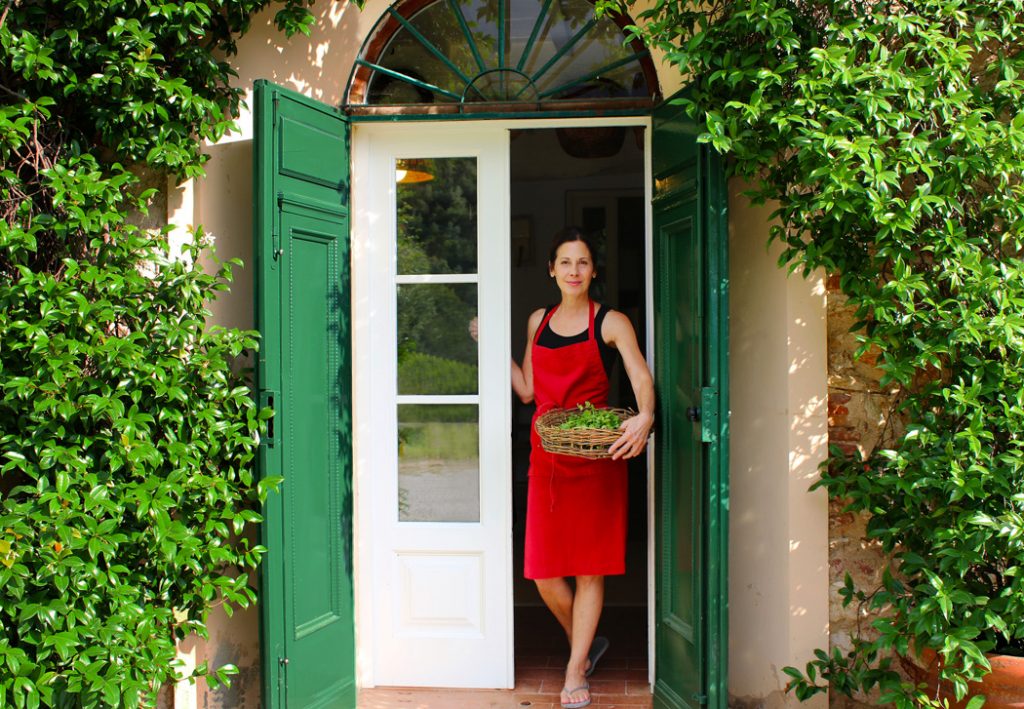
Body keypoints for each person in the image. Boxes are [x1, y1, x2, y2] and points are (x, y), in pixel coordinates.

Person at [511, 227, 655, 709]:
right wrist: (487, 347)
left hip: (596, 457)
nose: (574, 271)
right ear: (551, 269)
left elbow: (638, 374)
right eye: (565, 262)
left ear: (594, 271)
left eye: (583, 262)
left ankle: (576, 670)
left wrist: (645, 417)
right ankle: (587, 643)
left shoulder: (610, 322)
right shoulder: (538, 320)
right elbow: (530, 391)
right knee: (544, 573)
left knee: (591, 570)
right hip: (547, 457)